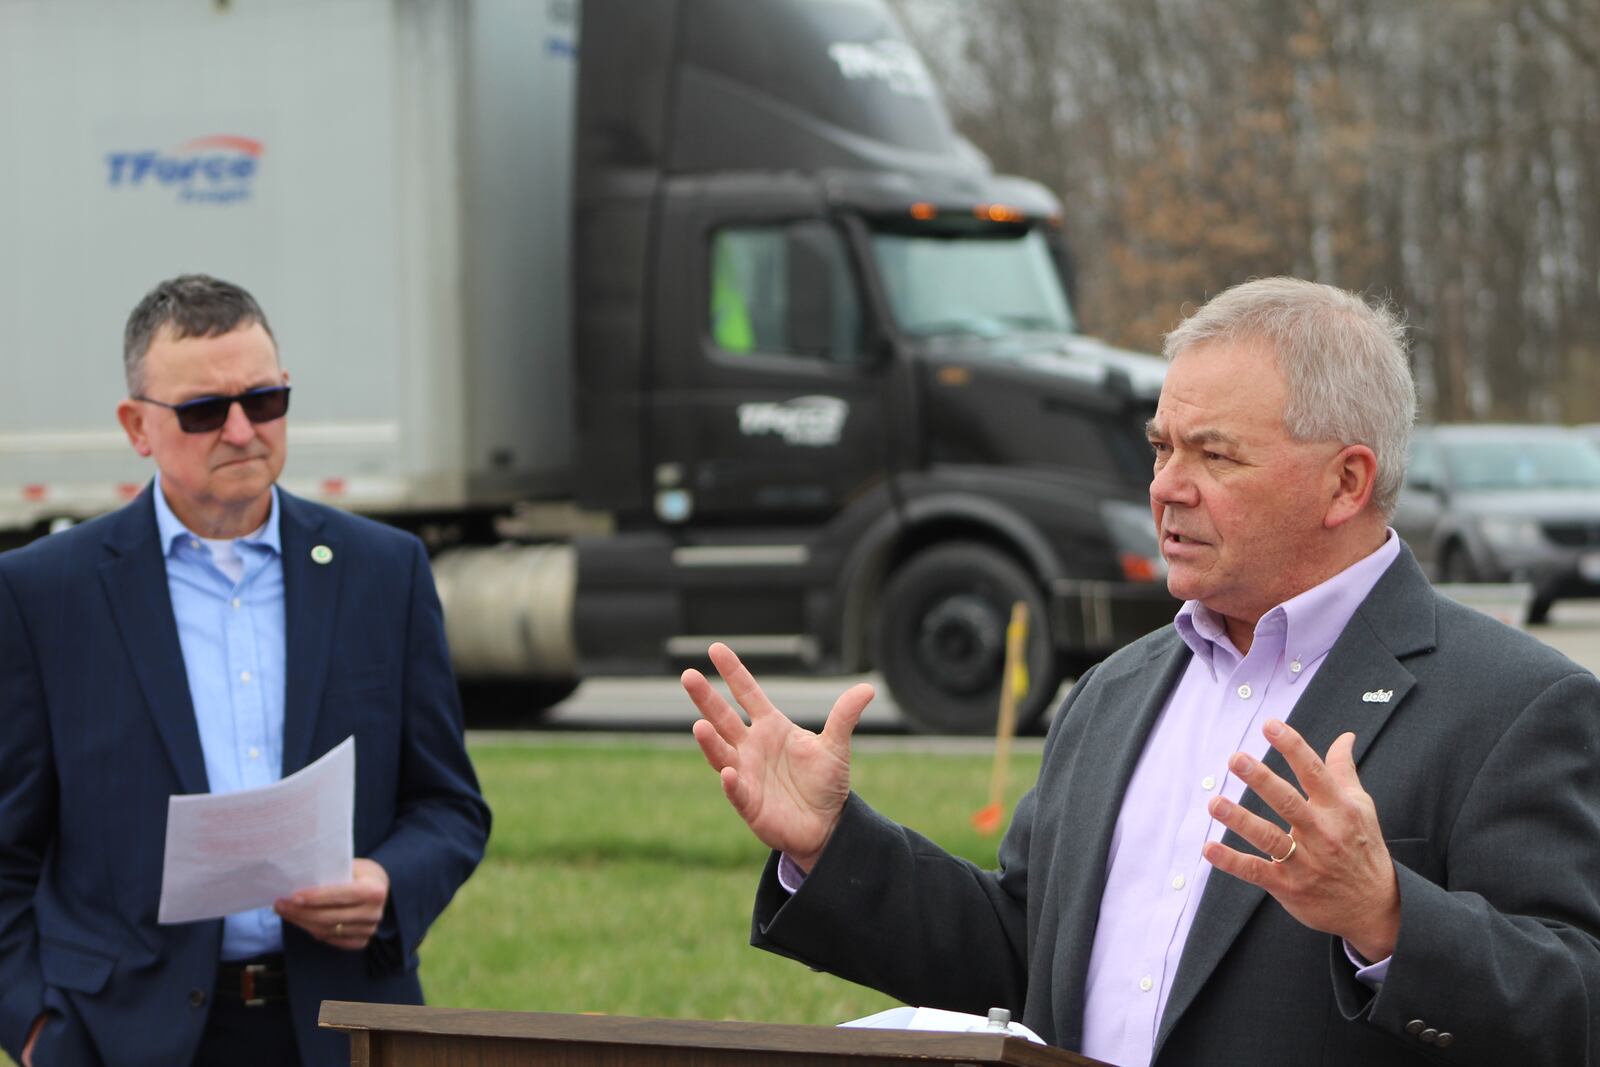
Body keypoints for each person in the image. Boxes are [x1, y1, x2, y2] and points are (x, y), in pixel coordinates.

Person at [683, 277, 1600, 1066]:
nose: (1166, 485)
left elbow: (1576, 1009)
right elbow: (1023, 954)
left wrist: (1391, 916)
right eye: (1162, 447)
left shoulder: (1515, 705)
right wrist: (834, 844)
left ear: (1346, 482)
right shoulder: (1115, 692)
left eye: (1215, 453)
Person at [0, 275, 491, 1067]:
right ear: (137, 427)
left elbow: (449, 804)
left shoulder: (382, 570)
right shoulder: (44, 593)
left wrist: (387, 885)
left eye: (264, 400)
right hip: (120, 1034)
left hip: (339, 1025)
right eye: (203, 411)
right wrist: (31, 1027)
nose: (240, 430)